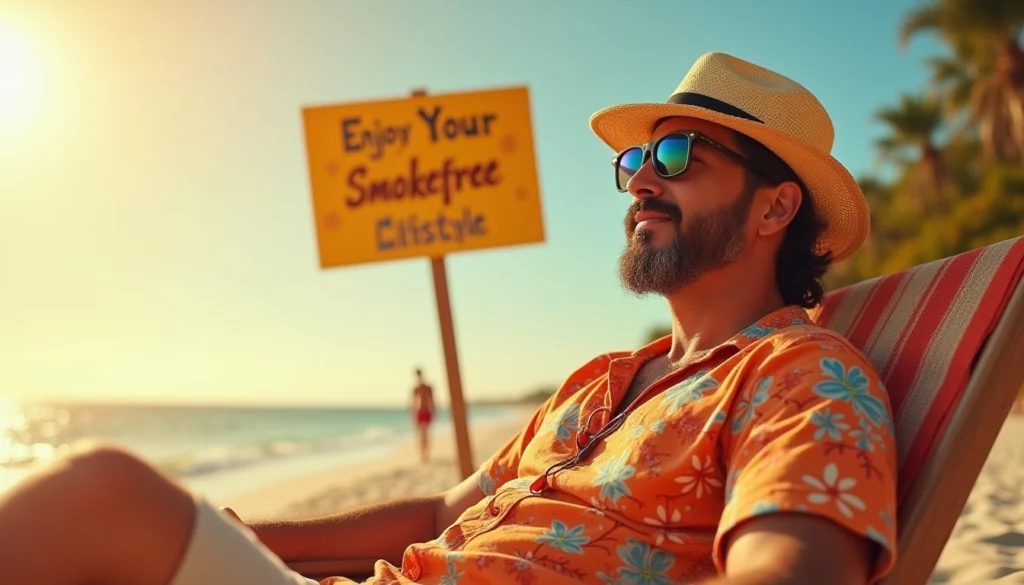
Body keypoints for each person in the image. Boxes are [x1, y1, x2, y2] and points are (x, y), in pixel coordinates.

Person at [0, 52, 898, 585]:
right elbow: (443, 507)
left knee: (103, 493)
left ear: (776, 207)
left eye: (675, 154)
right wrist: (247, 535)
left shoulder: (800, 374)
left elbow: (793, 570)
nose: (640, 182)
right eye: (633, 161)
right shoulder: (602, 381)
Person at [410, 368, 435, 463]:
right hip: (419, 412)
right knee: (421, 434)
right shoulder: (415, 388)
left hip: (426, 411)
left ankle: (426, 453)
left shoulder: (428, 387)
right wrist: (413, 415)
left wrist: (433, 412)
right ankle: (423, 453)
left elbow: (432, 401)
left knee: (425, 433)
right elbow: (413, 403)